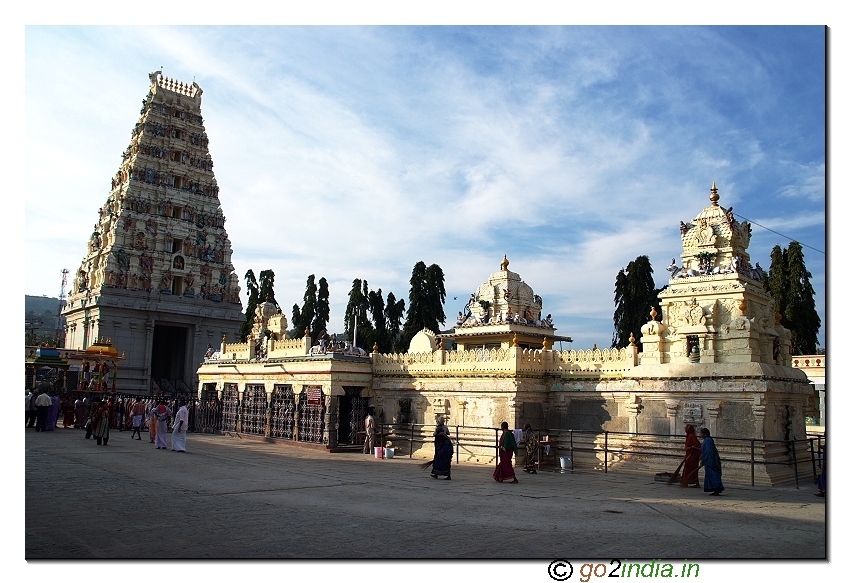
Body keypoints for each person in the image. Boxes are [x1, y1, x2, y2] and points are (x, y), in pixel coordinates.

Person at [699, 428, 724, 496]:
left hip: (712, 461)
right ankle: (716, 489)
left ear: (705, 434)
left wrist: (704, 459)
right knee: (712, 475)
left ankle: (716, 488)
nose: (700, 435)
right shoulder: (707, 440)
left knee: (713, 475)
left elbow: (709, 452)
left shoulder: (707, 440)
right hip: (711, 460)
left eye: (701, 433)